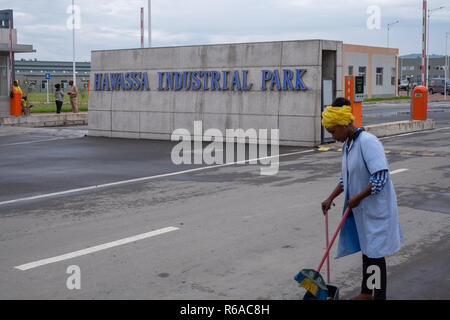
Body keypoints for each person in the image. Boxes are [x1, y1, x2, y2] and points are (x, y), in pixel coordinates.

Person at [321, 97, 403, 300]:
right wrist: (330, 197)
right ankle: (367, 293)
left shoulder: (368, 142)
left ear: (344, 124)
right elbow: (346, 177)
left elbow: (380, 177)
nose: (333, 136)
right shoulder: (348, 145)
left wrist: (357, 197)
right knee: (368, 250)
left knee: (375, 253)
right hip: (362, 210)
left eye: (333, 131)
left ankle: (377, 296)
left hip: (376, 210)